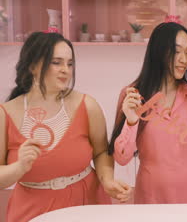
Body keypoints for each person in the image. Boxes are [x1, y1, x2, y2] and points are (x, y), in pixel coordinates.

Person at [0, 32, 131, 222]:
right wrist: (19, 167)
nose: (66, 70)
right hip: (31, 210)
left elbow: (102, 152)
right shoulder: (5, 114)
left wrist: (107, 180)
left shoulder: (87, 105)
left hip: (86, 204)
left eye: (70, 64)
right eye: (57, 62)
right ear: (33, 66)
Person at [109, 21, 187, 204]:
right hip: (152, 194)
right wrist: (131, 122)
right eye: (177, 51)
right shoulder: (133, 95)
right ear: (158, 51)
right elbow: (122, 157)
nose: (184, 59)